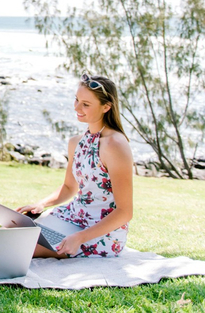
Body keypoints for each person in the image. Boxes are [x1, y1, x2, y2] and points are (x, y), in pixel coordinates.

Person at [17, 73, 133, 258]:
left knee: (16, 248)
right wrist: (41, 204)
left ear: (106, 107)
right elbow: (70, 187)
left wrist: (79, 237)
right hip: (71, 217)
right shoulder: (76, 142)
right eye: (77, 100)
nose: (77, 107)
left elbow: (124, 212)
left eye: (86, 104)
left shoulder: (115, 146)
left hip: (101, 233)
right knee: (10, 233)